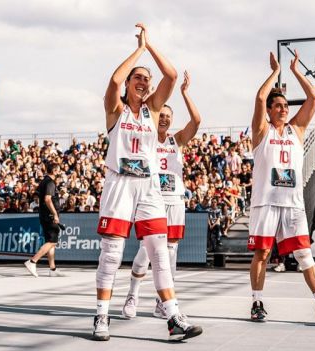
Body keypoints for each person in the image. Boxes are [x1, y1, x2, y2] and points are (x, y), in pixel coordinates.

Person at [93, 23, 202, 342]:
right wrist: (138, 50)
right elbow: (114, 80)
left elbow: (169, 75)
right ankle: (101, 315)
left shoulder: (153, 112)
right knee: (112, 253)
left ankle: (172, 316)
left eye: (146, 78)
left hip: (149, 185)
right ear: (128, 84)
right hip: (120, 183)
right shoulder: (116, 110)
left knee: (160, 252)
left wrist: (151, 46)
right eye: (137, 77)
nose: (143, 81)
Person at [248, 51, 315, 324]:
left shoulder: (296, 130)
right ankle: (257, 303)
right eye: (277, 106)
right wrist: (275, 73)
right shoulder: (262, 131)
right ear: (269, 111)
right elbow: (260, 98)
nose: (283, 109)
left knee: (304, 254)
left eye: (285, 106)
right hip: (266, 201)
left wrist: (295, 70)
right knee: (263, 253)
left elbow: (313, 98)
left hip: (292, 204)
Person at [122, 71, 201, 319]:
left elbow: (196, 122)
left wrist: (185, 94)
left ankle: (161, 302)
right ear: (155, 117)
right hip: (152, 199)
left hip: (175, 201)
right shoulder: (145, 137)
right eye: (162, 115)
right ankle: (132, 294)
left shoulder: (176, 140)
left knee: (170, 255)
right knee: (146, 252)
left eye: (168, 117)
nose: (164, 119)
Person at [24, 162, 65, 277]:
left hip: (45, 215)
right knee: (52, 241)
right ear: (54, 171)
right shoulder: (50, 182)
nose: (59, 171)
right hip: (49, 216)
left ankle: (52, 269)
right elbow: (47, 199)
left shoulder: (44, 181)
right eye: (58, 169)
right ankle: (32, 261)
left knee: (50, 243)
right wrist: (54, 214)